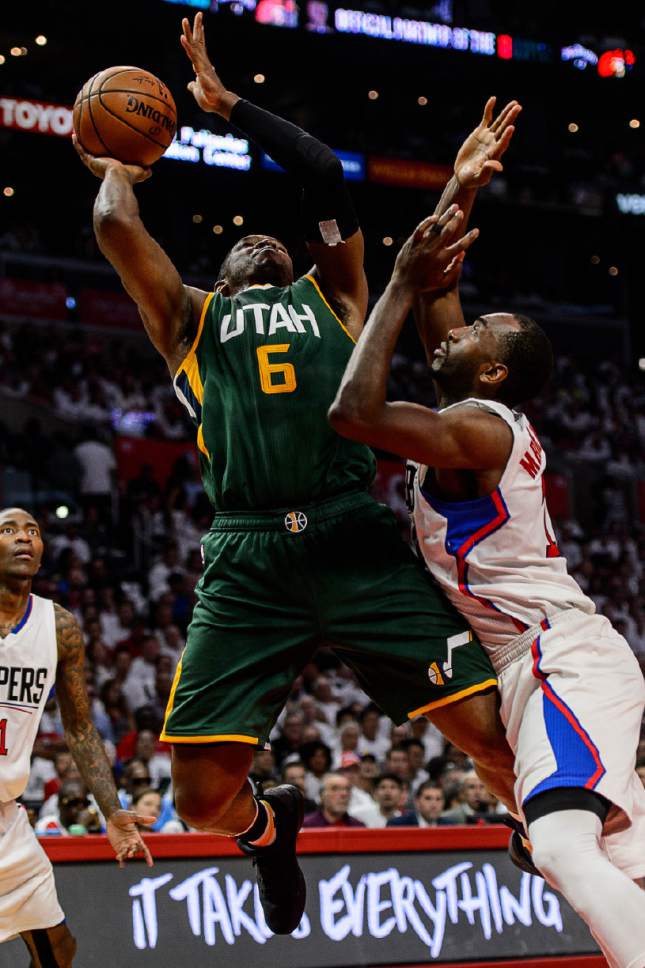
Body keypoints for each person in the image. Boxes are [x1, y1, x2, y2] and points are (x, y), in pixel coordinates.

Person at [73, 12, 520, 935]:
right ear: (224, 274)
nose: (263, 241)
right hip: (247, 565)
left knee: (489, 735)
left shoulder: (340, 293)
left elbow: (320, 175)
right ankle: (269, 827)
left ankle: (528, 819)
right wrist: (118, 153)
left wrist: (223, 104)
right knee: (199, 801)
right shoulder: (189, 321)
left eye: (274, 241)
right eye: (244, 244)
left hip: (353, 536)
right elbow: (116, 221)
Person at [330, 198, 645, 966]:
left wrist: (397, 285)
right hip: (534, 662)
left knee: (563, 849)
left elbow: (353, 410)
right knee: (620, 864)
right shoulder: (476, 410)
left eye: (475, 333)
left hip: (555, 659)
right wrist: (462, 186)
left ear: (493, 369)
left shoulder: (474, 430)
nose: (457, 329)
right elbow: (443, 296)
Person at [0, 507, 154, 967]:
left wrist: (111, 810)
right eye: (8, 530)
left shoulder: (59, 626)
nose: (24, 538)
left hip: (6, 817)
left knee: (59, 949)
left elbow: (81, 726)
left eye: (33, 531)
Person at [301, 773, 365, 828]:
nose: (344, 794)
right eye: (335, 789)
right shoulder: (305, 826)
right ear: (321, 796)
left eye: (347, 789)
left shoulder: (358, 827)